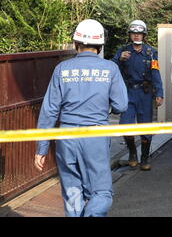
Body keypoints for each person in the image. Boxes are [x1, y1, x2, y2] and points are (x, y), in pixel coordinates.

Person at [34, 19, 128, 217]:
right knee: (101, 192)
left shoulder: (61, 69)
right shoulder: (110, 69)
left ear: (76, 43)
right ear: (101, 45)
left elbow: (49, 110)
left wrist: (41, 148)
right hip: (95, 135)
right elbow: (121, 105)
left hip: (66, 136)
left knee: (72, 193)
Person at [112, 20, 164, 171]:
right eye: (133, 33)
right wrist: (119, 59)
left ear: (144, 35)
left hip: (145, 94)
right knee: (125, 126)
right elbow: (110, 69)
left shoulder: (150, 52)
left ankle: (145, 157)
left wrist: (159, 93)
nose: (136, 35)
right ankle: (132, 153)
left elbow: (156, 73)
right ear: (130, 34)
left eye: (139, 33)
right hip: (127, 93)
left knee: (145, 127)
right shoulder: (122, 51)